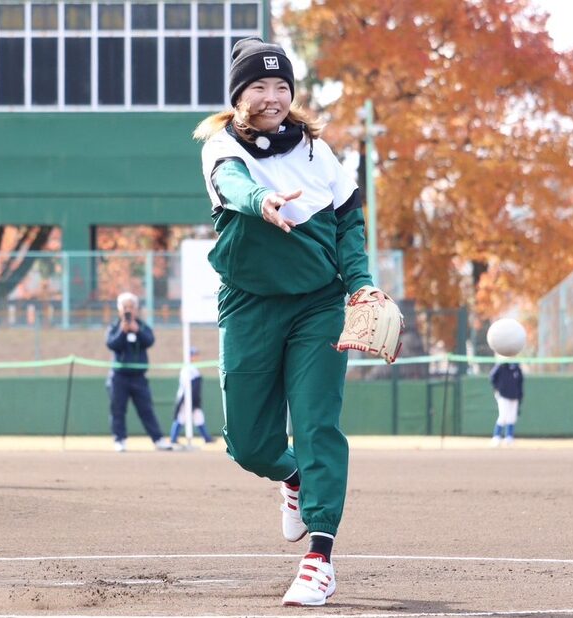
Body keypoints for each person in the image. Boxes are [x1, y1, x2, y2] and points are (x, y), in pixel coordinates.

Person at [193, 36, 386, 606]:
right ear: (238, 95)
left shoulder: (317, 151)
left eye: (281, 86)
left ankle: (320, 558)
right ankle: (293, 478)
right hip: (249, 303)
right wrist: (261, 202)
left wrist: (361, 285)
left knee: (318, 425)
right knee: (248, 445)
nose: (272, 96)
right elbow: (232, 182)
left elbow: (350, 223)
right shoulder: (219, 147)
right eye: (259, 86)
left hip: (319, 304)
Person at [105, 292, 174, 452]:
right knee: (118, 409)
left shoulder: (142, 326)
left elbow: (150, 340)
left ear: (136, 309)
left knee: (146, 409)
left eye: (131, 307)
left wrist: (137, 331)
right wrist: (123, 332)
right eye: (125, 307)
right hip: (119, 377)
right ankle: (119, 439)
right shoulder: (114, 327)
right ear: (119, 309)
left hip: (139, 377)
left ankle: (158, 439)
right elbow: (111, 344)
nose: (128, 310)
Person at [170, 348, 214, 444]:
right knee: (180, 418)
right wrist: (188, 399)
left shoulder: (193, 368)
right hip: (186, 398)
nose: (196, 357)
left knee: (199, 417)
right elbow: (188, 386)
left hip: (193, 399)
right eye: (194, 355)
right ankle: (173, 439)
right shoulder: (187, 368)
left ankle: (207, 438)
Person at [489, 360, 523, 446]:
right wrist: (497, 389)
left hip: (514, 396)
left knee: (512, 417)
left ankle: (509, 437)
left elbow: (520, 383)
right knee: (503, 416)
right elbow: (492, 377)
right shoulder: (501, 367)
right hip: (503, 396)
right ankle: (496, 437)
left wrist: (519, 396)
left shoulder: (517, 368)